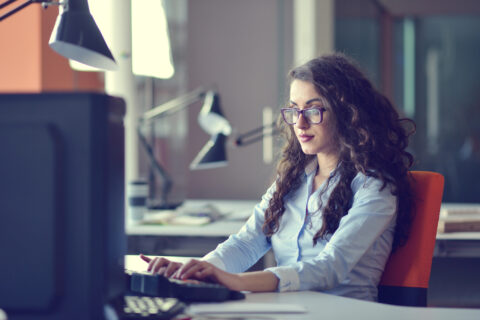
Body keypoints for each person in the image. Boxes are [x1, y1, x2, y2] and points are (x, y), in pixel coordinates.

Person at [140, 53, 416, 301]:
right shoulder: (294, 180)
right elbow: (246, 242)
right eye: (294, 110)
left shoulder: (374, 186)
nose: (300, 123)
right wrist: (202, 269)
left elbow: (331, 267)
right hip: (288, 311)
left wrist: (236, 281)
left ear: (347, 113)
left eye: (313, 109)